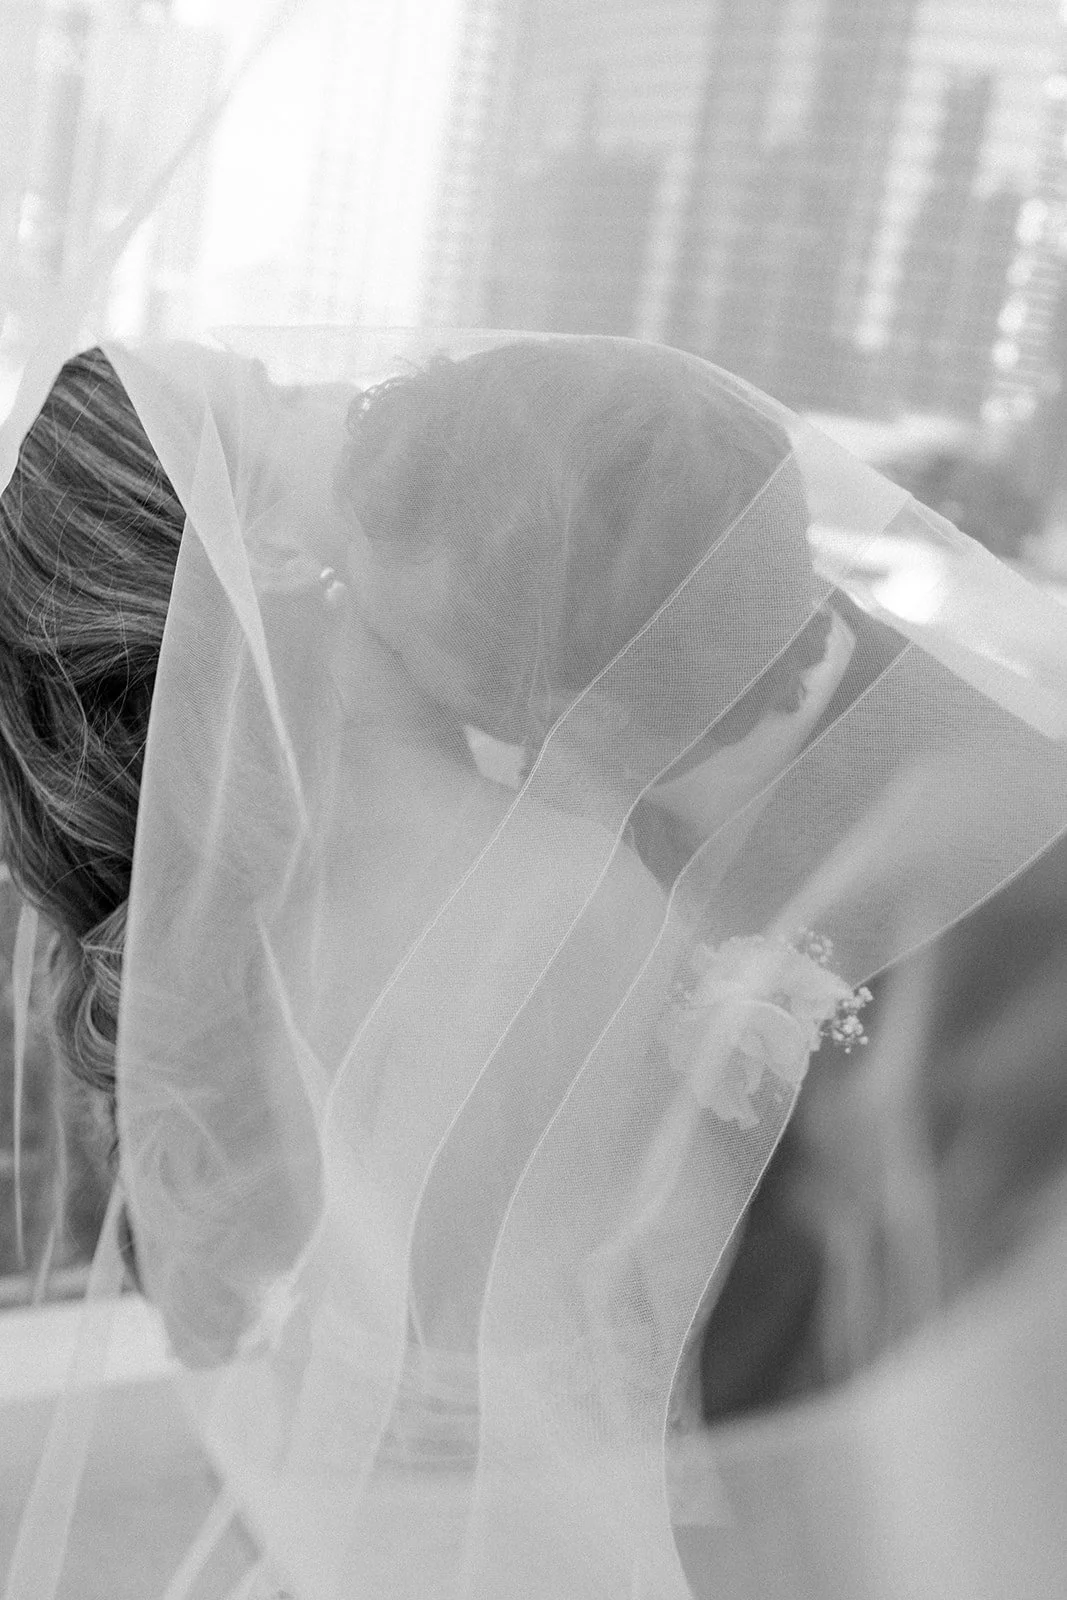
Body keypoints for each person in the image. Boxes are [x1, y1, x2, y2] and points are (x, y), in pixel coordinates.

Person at [3, 327, 1067, 1600]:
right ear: (265, 541)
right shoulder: (535, 889)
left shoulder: (287, 896)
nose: (334, 398)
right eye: (278, 395)